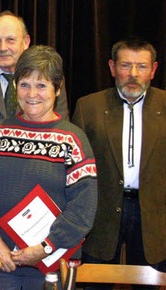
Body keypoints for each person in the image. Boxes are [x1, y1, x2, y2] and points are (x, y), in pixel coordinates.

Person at [0, 45, 97, 289]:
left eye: (42, 85)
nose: (32, 94)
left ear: (57, 89)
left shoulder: (73, 140)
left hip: (52, 265)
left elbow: (83, 208)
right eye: (25, 84)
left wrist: (46, 247)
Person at [72, 38, 166, 289]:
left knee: (148, 284)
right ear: (112, 68)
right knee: (96, 284)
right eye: (126, 65)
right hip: (101, 215)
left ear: (154, 70)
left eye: (142, 66)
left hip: (154, 218)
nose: (133, 74)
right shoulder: (88, 106)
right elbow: (75, 168)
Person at [0, 11, 69, 149]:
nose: (2, 48)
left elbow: (60, 128)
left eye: (10, 40)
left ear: (26, 42)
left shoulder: (48, 81)